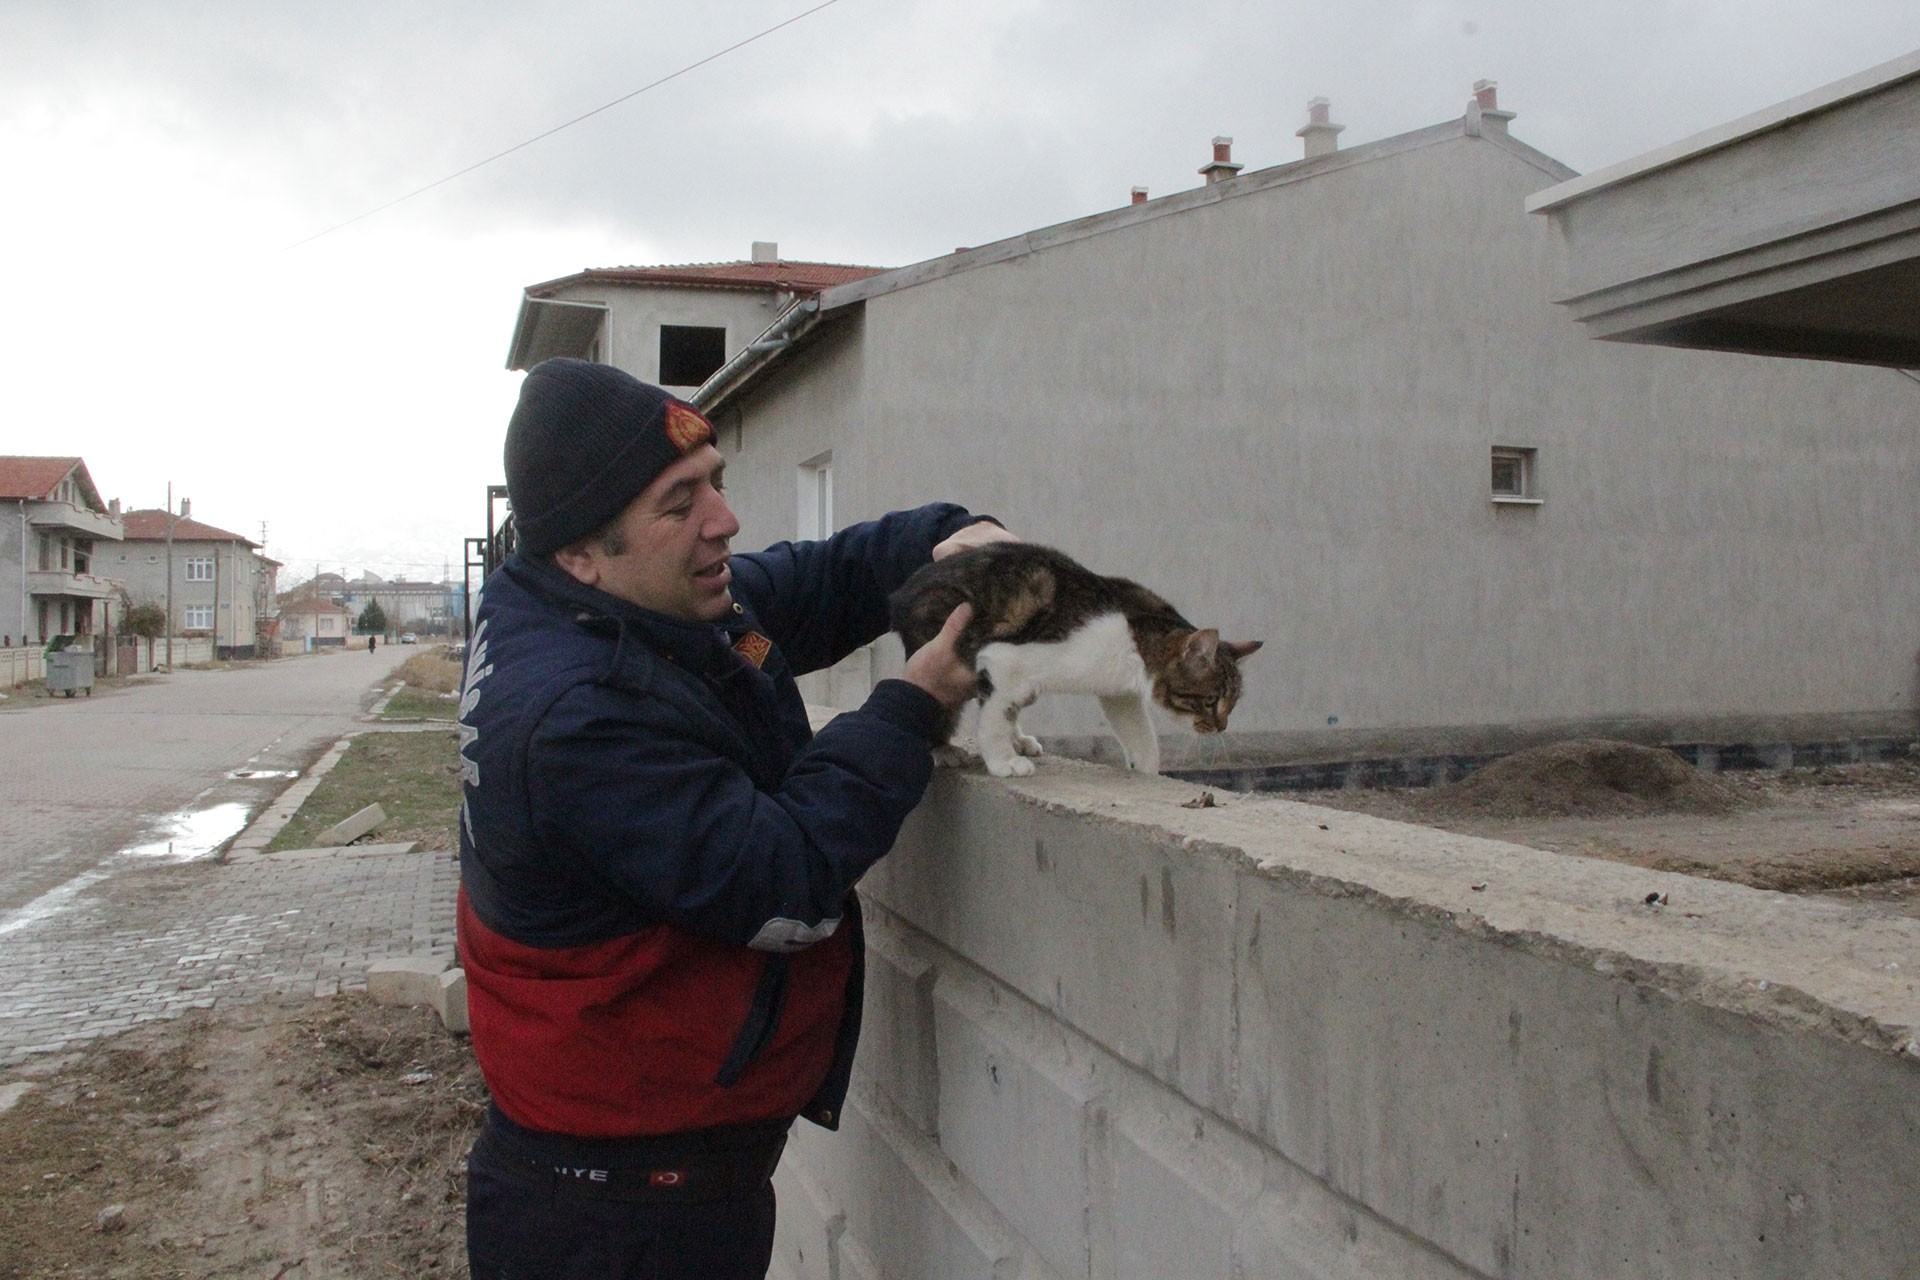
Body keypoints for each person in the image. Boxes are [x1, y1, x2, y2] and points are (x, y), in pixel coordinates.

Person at [456, 358, 1012, 1279]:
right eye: (680, 503)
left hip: (657, 1180)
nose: (725, 518)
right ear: (582, 553)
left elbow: (820, 583)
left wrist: (955, 539)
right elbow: (784, 882)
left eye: (717, 478)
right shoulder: (571, 717)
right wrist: (910, 710)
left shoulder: (631, 609)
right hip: (612, 1222)